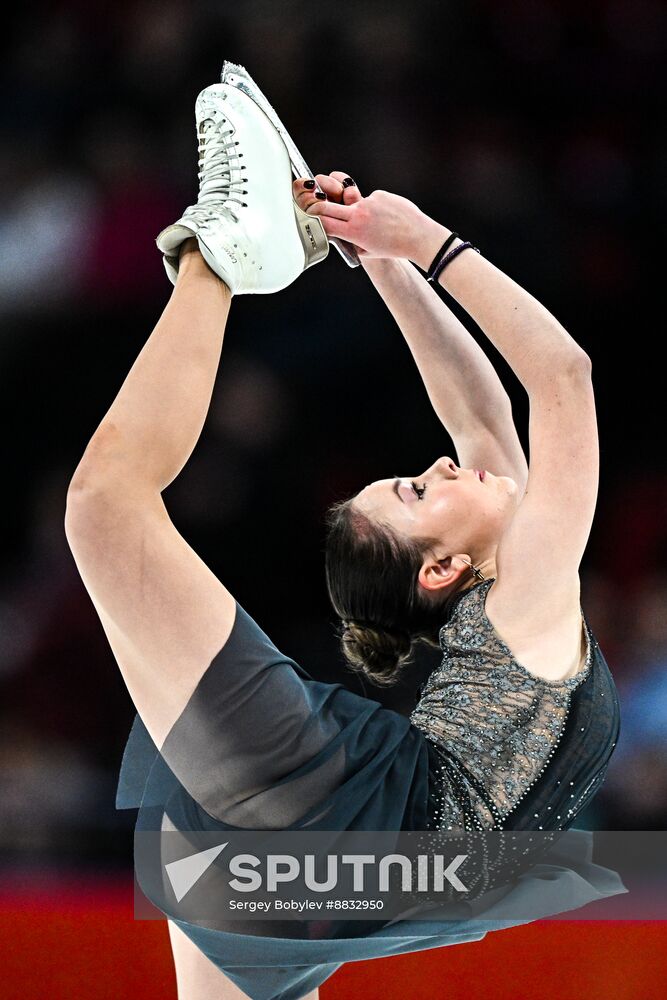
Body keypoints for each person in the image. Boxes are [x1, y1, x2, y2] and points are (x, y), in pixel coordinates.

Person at [65, 81, 620, 1000]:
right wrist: (409, 253)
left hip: (368, 852)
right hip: (381, 877)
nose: (445, 465)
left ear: (441, 574)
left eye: (420, 481)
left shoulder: (514, 607)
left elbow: (506, 407)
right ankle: (223, 247)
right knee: (102, 509)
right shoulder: (522, 604)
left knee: (104, 507)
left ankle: (220, 251)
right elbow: (554, 380)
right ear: (443, 566)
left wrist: (404, 254)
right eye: (418, 485)